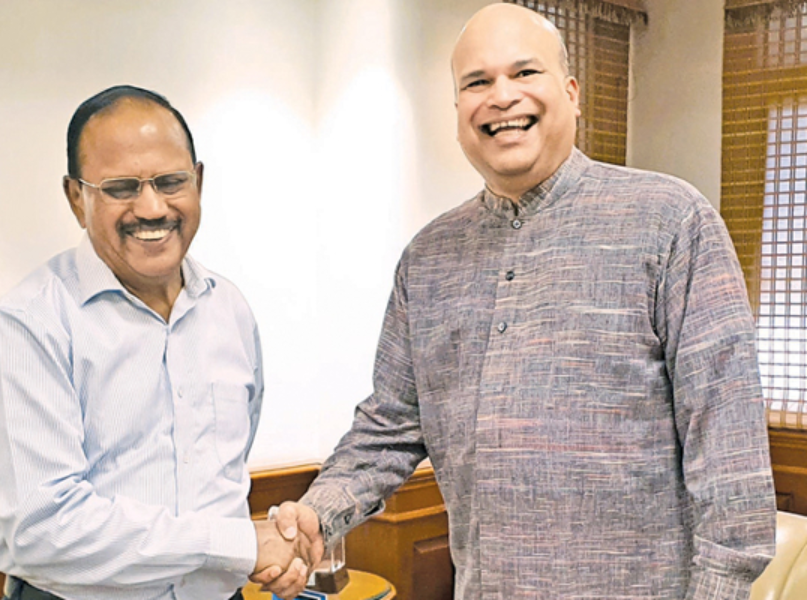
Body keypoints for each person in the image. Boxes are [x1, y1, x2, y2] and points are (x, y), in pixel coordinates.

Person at [266, 4, 778, 599]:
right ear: (458, 111)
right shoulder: (427, 258)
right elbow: (390, 425)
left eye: (525, 72)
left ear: (572, 93)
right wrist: (316, 514)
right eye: (477, 82)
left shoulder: (672, 223)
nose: (502, 96)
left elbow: (729, 454)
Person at [0, 86, 311, 600]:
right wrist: (236, 544)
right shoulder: (30, 324)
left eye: (171, 182)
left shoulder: (229, 310)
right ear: (76, 198)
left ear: (198, 181)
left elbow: (225, 475)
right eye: (121, 188)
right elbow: (44, 529)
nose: (152, 208)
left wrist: (264, 552)